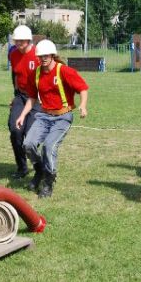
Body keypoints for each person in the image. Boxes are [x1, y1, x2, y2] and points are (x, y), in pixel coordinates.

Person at [16, 40, 88, 198]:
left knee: (49, 146)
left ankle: (48, 181)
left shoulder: (64, 71)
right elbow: (32, 98)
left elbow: (82, 88)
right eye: (40, 56)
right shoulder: (35, 74)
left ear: (52, 55)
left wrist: (83, 105)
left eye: (46, 55)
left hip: (62, 117)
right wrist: (22, 115)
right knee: (28, 144)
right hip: (44, 116)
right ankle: (39, 169)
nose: (43, 58)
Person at [7, 24, 39, 179]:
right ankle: (22, 167)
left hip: (38, 99)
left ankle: (40, 167)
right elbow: (15, 75)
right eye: (16, 40)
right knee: (15, 130)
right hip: (21, 96)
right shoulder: (13, 54)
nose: (18, 43)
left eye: (22, 40)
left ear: (28, 40)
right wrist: (15, 95)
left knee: (30, 135)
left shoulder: (39, 54)